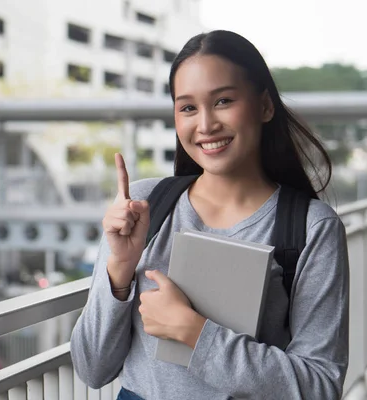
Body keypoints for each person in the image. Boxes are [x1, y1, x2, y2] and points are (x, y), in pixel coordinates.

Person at [69, 30, 349, 400]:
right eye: (187, 107)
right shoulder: (143, 205)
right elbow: (92, 369)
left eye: (223, 101)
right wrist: (120, 269)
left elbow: (320, 387)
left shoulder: (314, 228)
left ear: (265, 106)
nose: (205, 125)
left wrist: (194, 333)